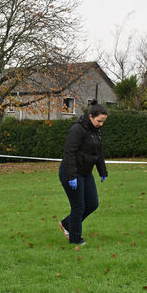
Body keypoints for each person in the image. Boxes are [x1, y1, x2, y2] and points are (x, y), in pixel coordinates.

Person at [58, 101, 109, 245]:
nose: (101, 124)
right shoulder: (77, 130)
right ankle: (75, 240)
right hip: (71, 172)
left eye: (103, 122)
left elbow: (98, 151)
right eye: (99, 121)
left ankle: (67, 224)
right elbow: (69, 154)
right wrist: (71, 176)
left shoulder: (97, 131)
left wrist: (102, 171)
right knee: (78, 207)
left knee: (92, 204)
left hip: (86, 173)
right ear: (91, 116)